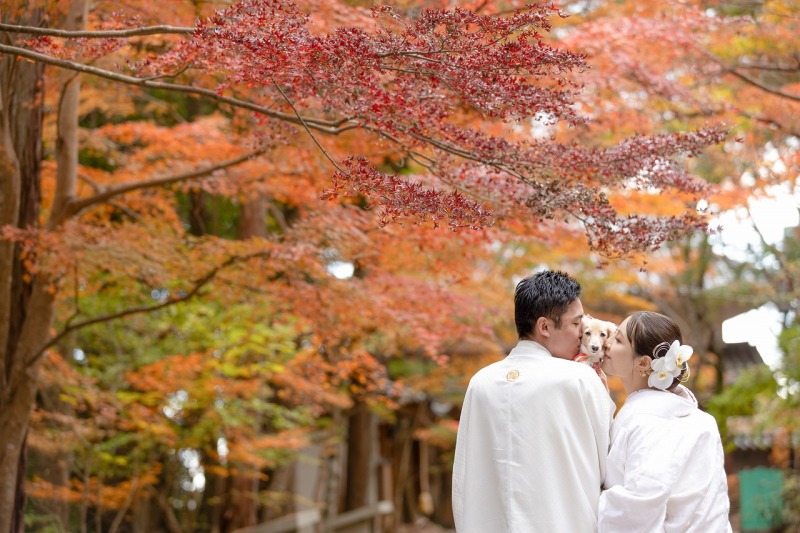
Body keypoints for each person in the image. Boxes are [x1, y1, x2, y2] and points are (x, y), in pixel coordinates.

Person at [452, 271, 614, 532]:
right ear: (545, 327)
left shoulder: (480, 382)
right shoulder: (580, 378)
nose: (582, 335)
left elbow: (462, 479)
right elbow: (611, 464)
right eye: (576, 325)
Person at [599, 311, 732, 532]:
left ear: (643, 363)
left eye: (618, 339)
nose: (606, 343)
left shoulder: (647, 421)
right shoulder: (701, 421)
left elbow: (640, 506)